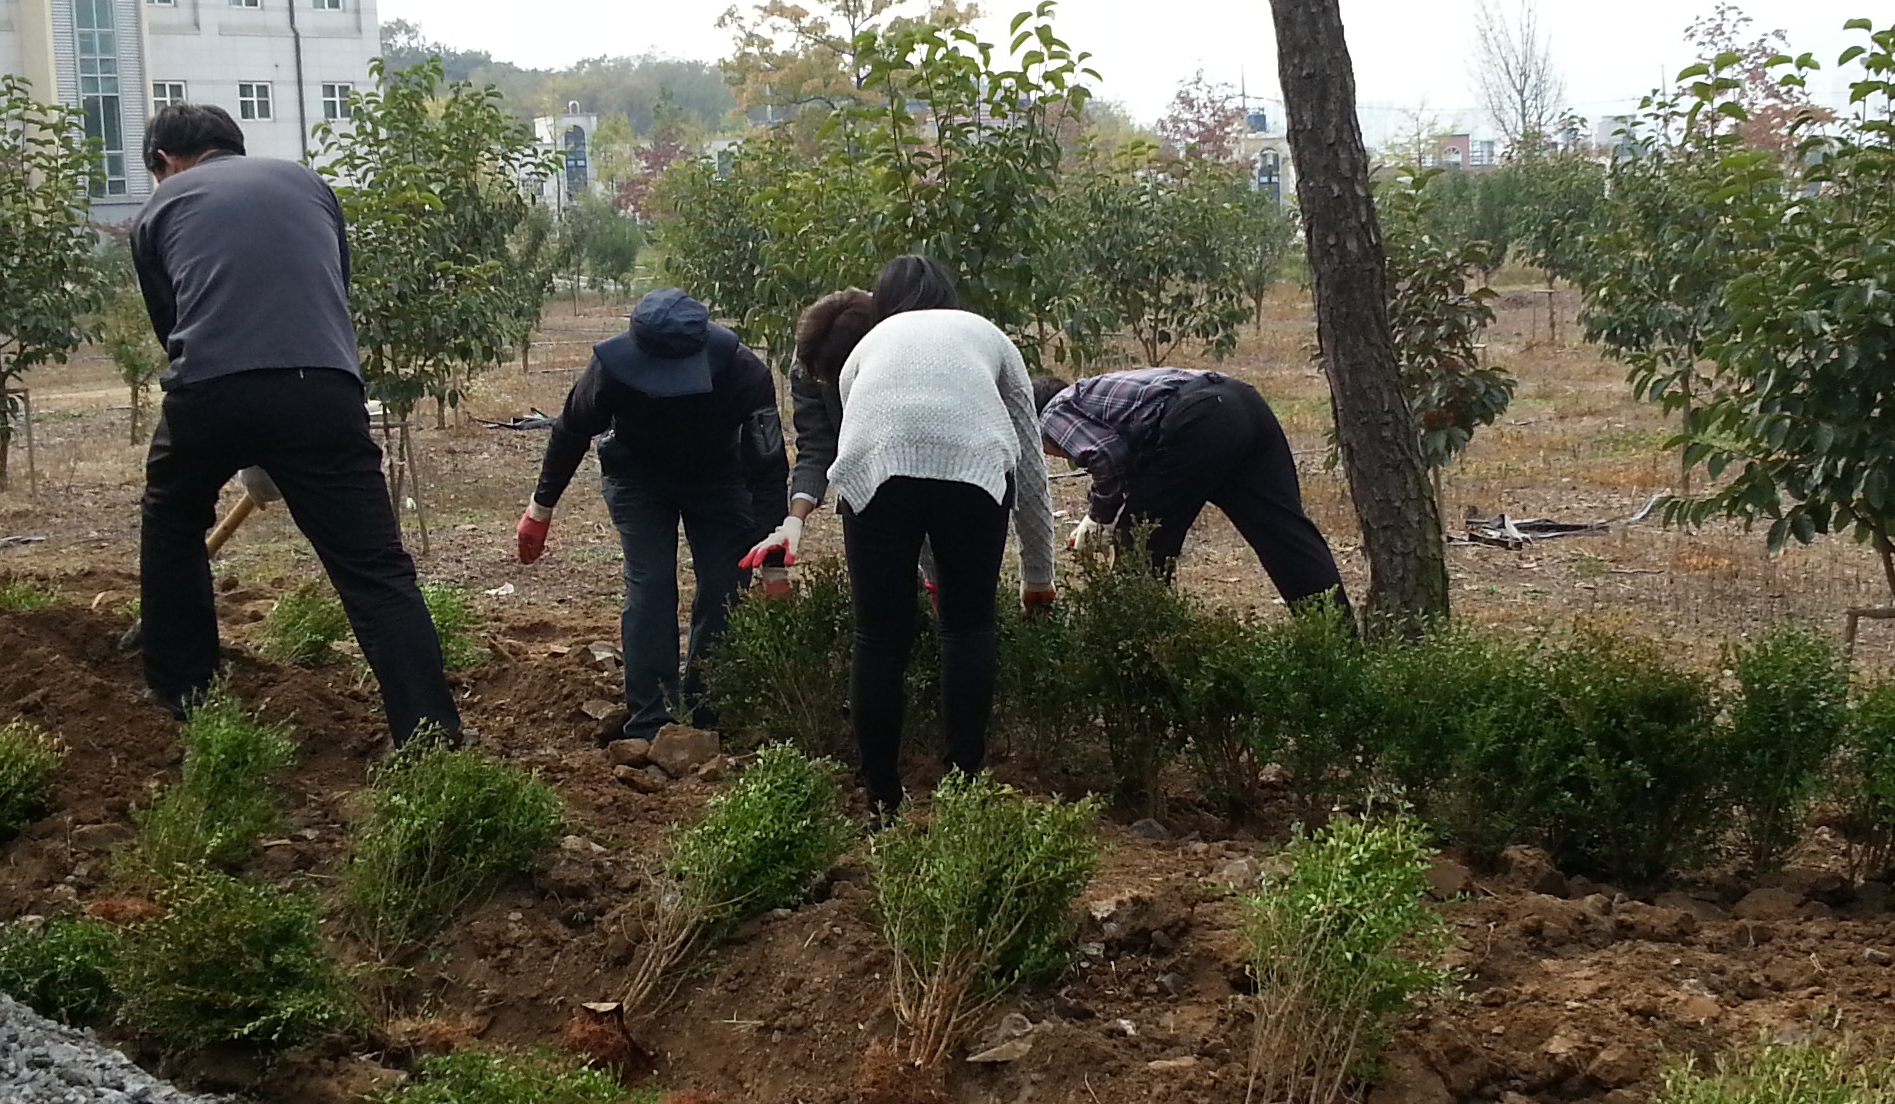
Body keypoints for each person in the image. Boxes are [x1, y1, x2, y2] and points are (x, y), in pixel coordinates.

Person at [127, 102, 460, 747]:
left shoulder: (160, 206)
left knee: (171, 521)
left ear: (165, 161)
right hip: (323, 389)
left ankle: (184, 694)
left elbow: (172, 327)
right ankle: (430, 735)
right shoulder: (310, 185)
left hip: (209, 389)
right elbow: (328, 289)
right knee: (374, 567)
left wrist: (242, 433)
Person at [759, 256, 1054, 816]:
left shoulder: (867, 348)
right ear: (951, 295)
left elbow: (886, 447)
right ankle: (963, 793)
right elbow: (1031, 464)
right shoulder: (989, 336)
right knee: (969, 628)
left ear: (883, 303)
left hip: (873, 475)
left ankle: (882, 801)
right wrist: (1037, 574)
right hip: (976, 473)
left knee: (877, 639)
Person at [517, 288, 783, 741]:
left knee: (725, 585)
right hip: (637, 478)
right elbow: (571, 431)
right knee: (652, 585)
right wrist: (539, 510)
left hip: (720, 480)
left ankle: (707, 710)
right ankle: (650, 720)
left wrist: (773, 564)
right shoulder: (609, 370)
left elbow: (768, 467)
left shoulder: (743, 372)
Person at [1035, 367, 1348, 609]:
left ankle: (1134, 653)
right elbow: (1136, 465)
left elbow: (1107, 456)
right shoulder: (1095, 395)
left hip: (1201, 416)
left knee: (1140, 539)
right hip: (1242, 401)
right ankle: (1340, 646)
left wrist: (1099, 517)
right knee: (1285, 535)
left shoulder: (1051, 412)